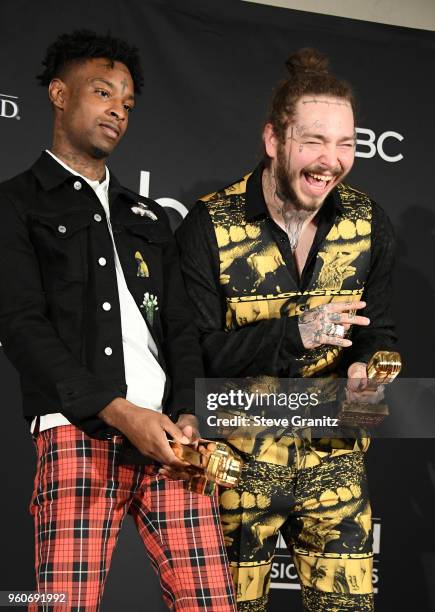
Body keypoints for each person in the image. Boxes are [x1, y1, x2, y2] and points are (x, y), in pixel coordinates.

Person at [0, 30, 236, 612]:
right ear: (59, 93)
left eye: (127, 103)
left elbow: (181, 325)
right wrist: (117, 410)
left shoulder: (148, 215)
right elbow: (21, 326)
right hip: (77, 430)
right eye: (102, 92)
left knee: (212, 603)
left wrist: (185, 411)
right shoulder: (14, 203)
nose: (117, 111)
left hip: (169, 441)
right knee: (60, 603)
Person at [175, 48, 396, 612]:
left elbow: (379, 329)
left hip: (337, 461)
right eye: (316, 141)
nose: (333, 160)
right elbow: (197, 354)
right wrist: (294, 333)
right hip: (236, 473)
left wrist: (368, 365)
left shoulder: (369, 222)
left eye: (347, 143)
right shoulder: (209, 224)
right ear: (275, 140)